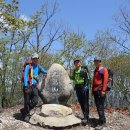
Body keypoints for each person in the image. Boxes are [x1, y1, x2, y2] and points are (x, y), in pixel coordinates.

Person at [20, 53, 47, 122]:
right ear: (32, 59)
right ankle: (26, 115)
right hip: (28, 85)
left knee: (35, 101)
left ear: (38, 59)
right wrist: (26, 85)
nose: (35, 60)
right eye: (34, 58)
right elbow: (25, 76)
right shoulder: (28, 66)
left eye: (36, 58)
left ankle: (25, 110)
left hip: (35, 86)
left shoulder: (38, 67)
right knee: (27, 101)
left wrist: (50, 73)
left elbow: (45, 71)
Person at [70, 59, 91, 125]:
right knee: (81, 102)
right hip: (77, 87)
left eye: (78, 62)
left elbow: (88, 79)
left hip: (83, 87)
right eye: (75, 63)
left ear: (80, 63)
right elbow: (73, 78)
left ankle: (86, 117)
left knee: (85, 102)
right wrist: (69, 76)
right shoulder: (74, 70)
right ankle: (85, 116)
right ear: (74, 64)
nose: (77, 64)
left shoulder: (83, 70)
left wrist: (86, 86)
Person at [92, 57, 108, 129]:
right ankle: (101, 119)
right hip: (95, 90)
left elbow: (105, 80)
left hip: (100, 90)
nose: (96, 62)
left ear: (100, 62)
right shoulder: (95, 70)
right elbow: (93, 81)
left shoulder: (103, 69)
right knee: (98, 106)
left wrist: (104, 90)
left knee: (100, 106)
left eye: (97, 61)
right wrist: (92, 90)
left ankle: (102, 123)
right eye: (95, 61)